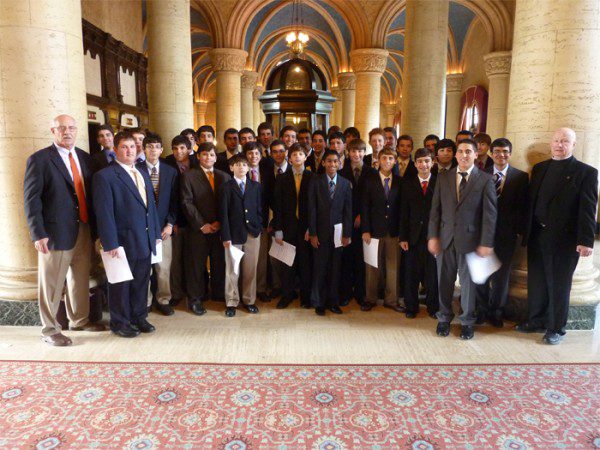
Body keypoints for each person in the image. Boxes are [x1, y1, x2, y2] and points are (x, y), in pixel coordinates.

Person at [24, 114, 105, 346]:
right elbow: (31, 200)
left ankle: (79, 320)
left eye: (71, 128)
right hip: (55, 232)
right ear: (53, 131)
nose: (67, 132)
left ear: (76, 130)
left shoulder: (85, 158)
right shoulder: (40, 159)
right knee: (51, 283)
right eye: (61, 128)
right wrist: (38, 233)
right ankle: (50, 329)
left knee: (80, 278)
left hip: (83, 228)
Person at [517, 128, 598, 344]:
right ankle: (536, 320)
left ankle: (556, 328)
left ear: (573, 145)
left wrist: (585, 240)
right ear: (551, 143)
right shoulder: (540, 168)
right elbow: (532, 202)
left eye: (565, 141)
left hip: (564, 240)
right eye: (556, 140)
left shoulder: (586, 172)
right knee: (537, 281)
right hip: (537, 235)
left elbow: (588, 209)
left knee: (559, 285)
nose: (559, 145)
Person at [93, 131, 161, 338]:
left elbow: (151, 207)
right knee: (120, 284)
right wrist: (110, 243)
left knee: (141, 282)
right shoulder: (105, 176)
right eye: (124, 147)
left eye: (132, 147)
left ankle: (139, 317)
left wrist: (155, 234)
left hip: (145, 239)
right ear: (115, 150)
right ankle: (120, 322)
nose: (130, 151)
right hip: (121, 241)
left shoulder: (141, 172)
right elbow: (104, 213)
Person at [428, 138, 497, 340]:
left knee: (468, 284)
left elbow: (490, 216)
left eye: (468, 151)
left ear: (476, 154)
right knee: (444, 281)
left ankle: (467, 321)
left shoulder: (485, 180)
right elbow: (435, 211)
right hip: (445, 238)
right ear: (456, 155)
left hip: (471, 241)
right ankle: (444, 318)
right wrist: (432, 236)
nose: (464, 155)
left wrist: (486, 242)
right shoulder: (443, 177)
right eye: (460, 151)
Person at [475, 138, 528, 328]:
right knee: (481, 274)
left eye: (505, 151)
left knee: (501, 277)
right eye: (497, 151)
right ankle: (481, 310)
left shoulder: (520, 177)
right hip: (483, 235)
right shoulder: (481, 174)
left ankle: (496, 312)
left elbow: (524, 206)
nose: (501, 155)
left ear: (510, 154)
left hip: (507, 235)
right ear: (491, 153)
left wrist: (519, 231)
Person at [180, 142, 230, 315]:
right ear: (198, 156)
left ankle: (217, 293)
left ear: (216, 158)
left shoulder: (224, 176)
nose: (208, 157)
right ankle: (195, 299)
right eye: (204, 154)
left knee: (219, 262)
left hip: (219, 228)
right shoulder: (188, 176)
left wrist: (220, 222)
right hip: (198, 229)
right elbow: (186, 202)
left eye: (212, 154)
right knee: (196, 265)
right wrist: (202, 224)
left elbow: (228, 203)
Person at [136, 132, 178, 316]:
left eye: (156, 147)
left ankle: (163, 299)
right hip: (142, 228)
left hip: (163, 228)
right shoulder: (136, 169)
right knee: (144, 268)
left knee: (163, 267)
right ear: (144, 149)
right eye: (149, 147)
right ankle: (145, 302)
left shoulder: (170, 171)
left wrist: (170, 224)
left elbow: (175, 201)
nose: (153, 150)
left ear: (162, 150)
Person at [308, 150, 352, 316]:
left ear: (340, 163)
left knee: (335, 269)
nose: (332, 164)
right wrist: (313, 233)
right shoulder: (316, 182)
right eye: (329, 161)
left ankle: (333, 302)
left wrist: (347, 234)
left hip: (338, 234)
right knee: (320, 268)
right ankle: (319, 302)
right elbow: (312, 209)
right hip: (320, 233)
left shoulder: (345, 183)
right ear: (323, 163)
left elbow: (348, 210)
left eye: (335, 161)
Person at [219, 154, 263, 317]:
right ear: (231, 168)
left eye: (244, 165)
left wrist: (258, 227)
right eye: (237, 165)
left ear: (249, 167)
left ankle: (249, 300)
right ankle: (231, 301)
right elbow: (223, 213)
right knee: (233, 269)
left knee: (251, 269)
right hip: (233, 235)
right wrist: (226, 236)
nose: (241, 167)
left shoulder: (255, 186)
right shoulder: (226, 187)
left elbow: (259, 209)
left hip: (252, 233)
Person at [272, 143, 315, 309]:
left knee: (305, 263)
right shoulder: (282, 178)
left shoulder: (313, 177)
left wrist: (312, 228)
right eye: (294, 154)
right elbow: (278, 206)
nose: (297, 157)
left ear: (306, 157)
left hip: (306, 228)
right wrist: (278, 229)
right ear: (289, 158)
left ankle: (306, 297)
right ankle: (286, 295)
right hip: (287, 227)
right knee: (287, 262)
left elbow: (315, 206)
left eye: (300, 154)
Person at [361, 147, 402, 312]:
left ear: (395, 161)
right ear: (378, 160)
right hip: (373, 231)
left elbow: (402, 209)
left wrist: (402, 233)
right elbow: (365, 207)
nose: (387, 161)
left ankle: (391, 300)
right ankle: (370, 298)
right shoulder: (369, 181)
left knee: (393, 266)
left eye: (391, 158)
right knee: (372, 266)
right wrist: (365, 229)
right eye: (384, 158)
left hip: (393, 231)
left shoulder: (400, 181)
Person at [400, 148, 438, 318]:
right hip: (412, 236)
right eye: (420, 161)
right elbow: (403, 212)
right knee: (411, 273)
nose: (424, 165)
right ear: (415, 164)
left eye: (427, 161)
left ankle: (433, 307)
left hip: (433, 236)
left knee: (432, 274)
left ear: (433, 162)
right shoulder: (407, 184)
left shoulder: (439, 183)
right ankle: (411, 307)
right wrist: (403, 237)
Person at [339, 138, 376, 307]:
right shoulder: (342, 172)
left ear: (364, 152)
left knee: (362, 260)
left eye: (360, 151)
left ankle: (361, 293)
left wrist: (362, 215)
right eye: (353, 151)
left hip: (365, 222)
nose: (357, 154)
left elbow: (374, 200)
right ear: (348, 152)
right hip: (346, 221)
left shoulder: (372, 172)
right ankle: (346, 292)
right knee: (346, 258)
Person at [164, 135, 198, 307]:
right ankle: (176, 292)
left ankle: (195, 292)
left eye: (182, 148)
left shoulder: (197, 163)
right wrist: (172, 221)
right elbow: (168, 197)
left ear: (189, 149)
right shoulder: (167, 165)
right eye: (175, 148)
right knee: (175, 260)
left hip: (196, 220)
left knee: (193, 259)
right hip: (176, 220)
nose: (179, 152)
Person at [243, 141, 272, 302]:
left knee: (261, 258)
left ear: (261, 156)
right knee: (245, 260)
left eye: (256, 153)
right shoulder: (240, 170)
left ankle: (260, 288)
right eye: (250, 153)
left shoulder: (267, 172)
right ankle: (245, 290)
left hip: (262, 221)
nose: (253, 156)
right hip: (243, 222)